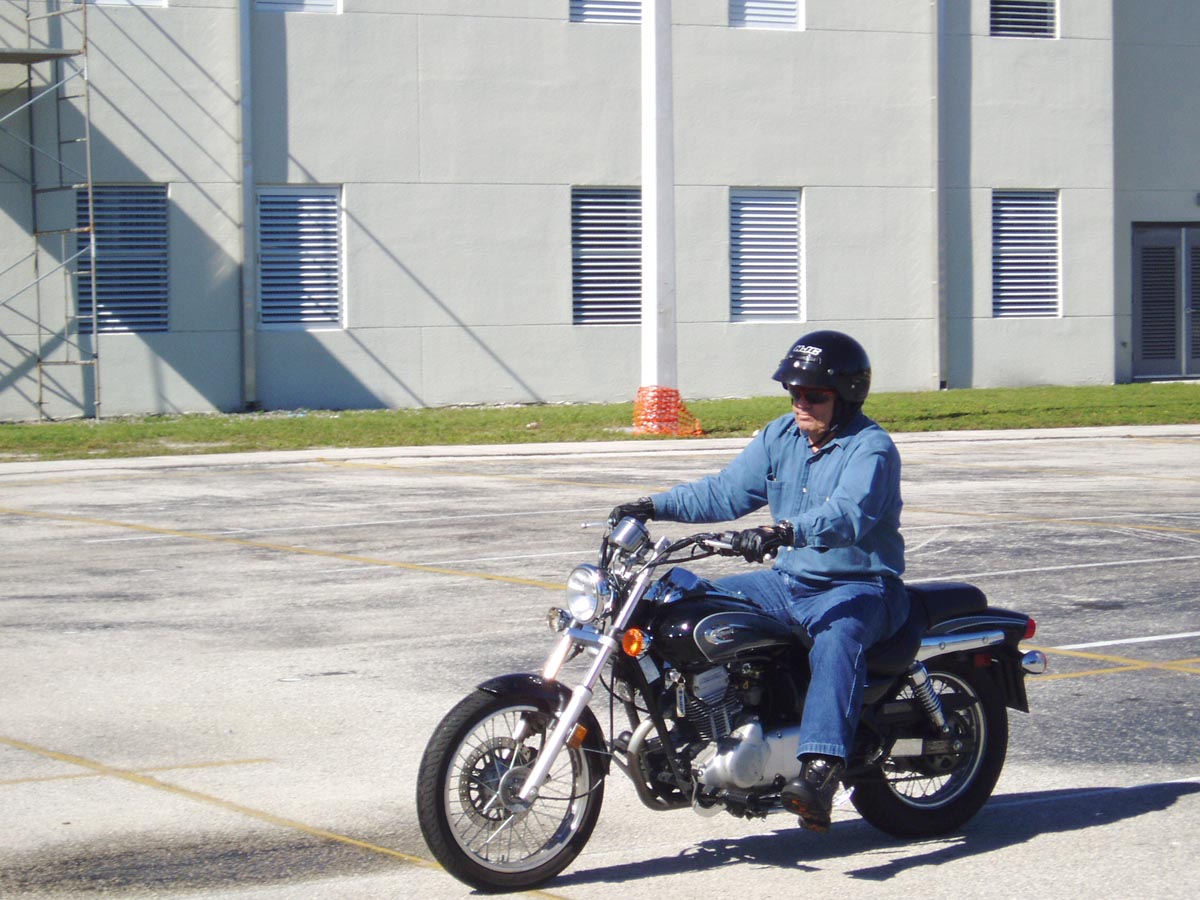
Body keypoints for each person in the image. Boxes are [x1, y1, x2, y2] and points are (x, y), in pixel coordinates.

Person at [609, 330, 907, 833]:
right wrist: (652, 506)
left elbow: (848, 515)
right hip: (788, 582)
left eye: (815, 394)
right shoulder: (781, 436)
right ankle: (694, 724)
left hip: (860, 586)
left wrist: (784, 531)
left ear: (847, 395)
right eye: (794, 392)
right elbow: (725, 492)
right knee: (686, 600)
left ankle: (820, 771)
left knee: (838, 639)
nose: (801, 403)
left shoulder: (870, 448)